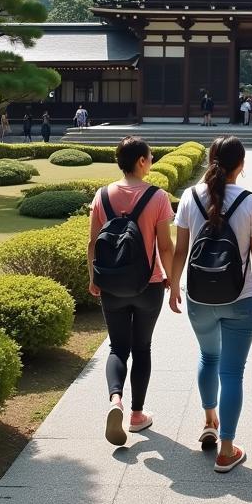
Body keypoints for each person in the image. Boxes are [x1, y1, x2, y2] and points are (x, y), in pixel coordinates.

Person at [169, 136, 252, 473]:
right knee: (231, 372)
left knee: (208, 357)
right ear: (241, 165)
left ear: (211, 159)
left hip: (198, 297)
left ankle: (209, 421)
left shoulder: (189, 197)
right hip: (241, 298)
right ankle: (227, 449)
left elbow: (180, 250)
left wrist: (173, 285)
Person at [88, 137, 175, 447]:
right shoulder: (157, 197)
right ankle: (137, 415)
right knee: (142, 348)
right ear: (141, 161)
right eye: (150, 156)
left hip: (111, 284)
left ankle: (115, 401)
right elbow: (165, 245)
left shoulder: (102, 196)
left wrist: (93, 279)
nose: (151, 160)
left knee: (117, 347)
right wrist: (174, 283)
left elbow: (92, 244)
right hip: (148, 285)